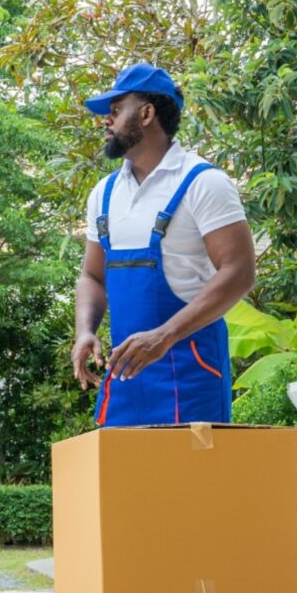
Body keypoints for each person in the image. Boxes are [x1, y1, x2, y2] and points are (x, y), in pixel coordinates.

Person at [71, 62, 256, 426]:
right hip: (125, 377)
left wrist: (164, 336)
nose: (106, 121)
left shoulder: (203, 183)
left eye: (115, 110)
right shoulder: (104, 194)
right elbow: (92, 276)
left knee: (189, 467)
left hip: (191, 374)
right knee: (120, 466)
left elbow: (240, 272)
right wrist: (85, 331)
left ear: (146, 114)